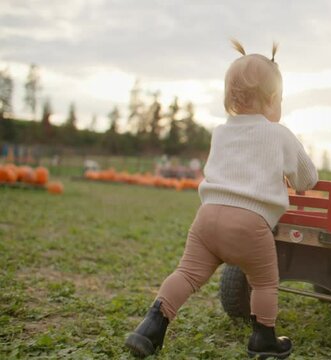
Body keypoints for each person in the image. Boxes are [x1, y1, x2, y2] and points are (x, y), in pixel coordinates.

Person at [124, 40, 318, 359]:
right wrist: (292, 180)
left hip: (207, 217)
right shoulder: (279, 134)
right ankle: (263, 338)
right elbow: (308, 177)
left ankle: (150, 327)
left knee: (186, 274)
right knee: (265, 282)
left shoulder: (220, 132)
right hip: (249, 225)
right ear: (273, 100)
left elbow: (235, 168)